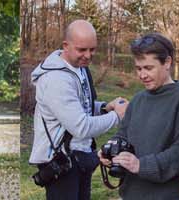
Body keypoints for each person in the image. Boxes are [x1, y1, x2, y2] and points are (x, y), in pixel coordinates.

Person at [30, 20, 123, 200]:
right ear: (66, 46)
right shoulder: (56, 79)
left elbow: (81, 107)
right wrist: (117, 115)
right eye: (82, 50)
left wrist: (105, 107)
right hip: (61, 163)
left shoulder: (79, 68)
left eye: (92, 49)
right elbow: (81, 126)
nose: (88, 55)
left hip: (80, 158)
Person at [101, 33, 179, 200]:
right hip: (131, 193)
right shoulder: (138, 99)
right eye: (138, 68)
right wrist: (110, 150)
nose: (142, 75)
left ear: (167, 62)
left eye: (148, 68)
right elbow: (123, 135)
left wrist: (140, 165)